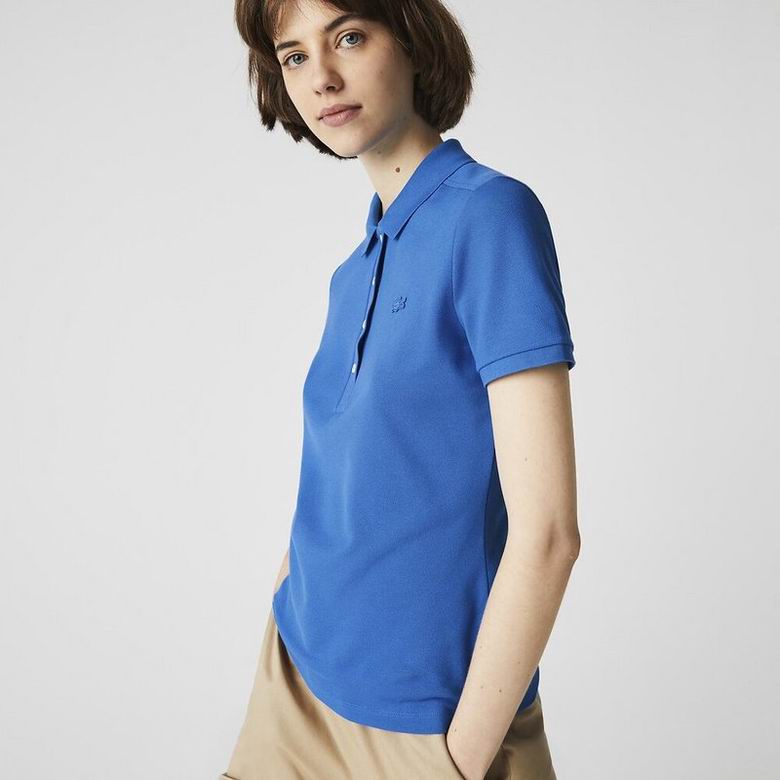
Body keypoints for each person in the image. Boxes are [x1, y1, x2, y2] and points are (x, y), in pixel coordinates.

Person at [221, 1, 581, 778]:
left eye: (348, 37)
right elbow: (336, 485)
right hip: (296, 684)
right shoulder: (351, 272)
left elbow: (549, 534)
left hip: (426, 723)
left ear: (412, 41)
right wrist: (283, 613)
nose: (321, 77)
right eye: (293, 56)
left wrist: (460, 757)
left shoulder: (489, 217)